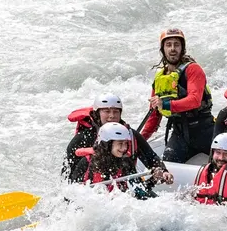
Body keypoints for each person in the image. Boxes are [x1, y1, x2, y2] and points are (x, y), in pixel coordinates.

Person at [138, 29, 213, 164]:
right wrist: (139, 140)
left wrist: (166, 104)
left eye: (176, 44)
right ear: (163, 49)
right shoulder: (160, 77)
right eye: (168, 45)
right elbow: (154, 115)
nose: (172, 49)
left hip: (204, 130)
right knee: (168, 164)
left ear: (182, 48)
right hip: (179, 133)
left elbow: (195, 100)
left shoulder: (193, 69)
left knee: (225, 160)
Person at [65, 93, 166, 184]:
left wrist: (162, 172)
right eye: (107, 111)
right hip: (93, 186)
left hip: (125, 184)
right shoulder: (83, 138)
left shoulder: (130, 136)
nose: (112, 116)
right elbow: (68, 177)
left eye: (116, 111)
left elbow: (151, 158)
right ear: (97, 113)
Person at [77, 123, 164, 192]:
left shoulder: (126, 162)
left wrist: (153, 180)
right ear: (107, 144)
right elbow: (73, 191)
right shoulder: (87, 162)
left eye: (126, 143)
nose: (124, 148)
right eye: (120, 143)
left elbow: (139, 191)